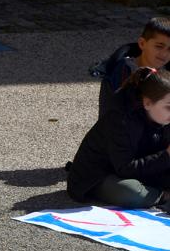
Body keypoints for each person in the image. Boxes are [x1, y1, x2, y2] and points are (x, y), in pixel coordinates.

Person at [68, 67, 170, 208]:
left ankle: (158, 191)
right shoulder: (121, 119)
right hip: (102, 174)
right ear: (147, 103)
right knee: (133, 193)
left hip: (141, 166)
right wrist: (166, 156)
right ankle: (162, 196)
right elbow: (125, 168)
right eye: (169, 107)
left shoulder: (162, 116)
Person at [93, 17, 170, 117]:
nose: (164, 54)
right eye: (159, 46)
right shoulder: (123, 71)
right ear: (142, 43)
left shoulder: (165, 72)